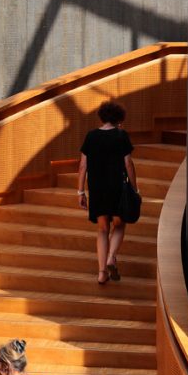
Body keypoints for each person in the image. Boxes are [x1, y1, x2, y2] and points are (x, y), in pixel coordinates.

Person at [77, 100, 138, 285]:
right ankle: (112, 257)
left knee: (102, 229)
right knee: (119, 225)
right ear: (119, 118)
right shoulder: (121, 136)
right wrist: (134, 189)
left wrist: (80, 191)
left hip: (97, 188)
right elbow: (128, 163)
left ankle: (102, 273)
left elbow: (82, 166)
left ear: (102, 117)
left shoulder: (91, 136)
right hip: (117, 187)